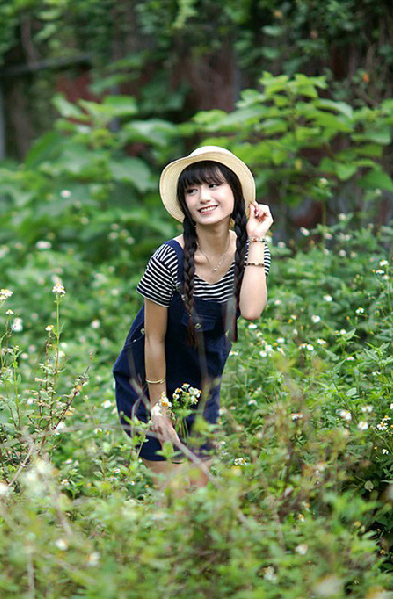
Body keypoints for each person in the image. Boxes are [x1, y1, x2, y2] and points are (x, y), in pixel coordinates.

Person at [113, 146, 273, 485]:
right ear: (184, 203)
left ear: (235, 192)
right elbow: (152, 339)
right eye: (192, 190)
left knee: (200, 497)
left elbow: (252, 311)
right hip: (149, 386)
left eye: (214, 186)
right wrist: (159, 408)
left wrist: (257, 241)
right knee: (177, 496)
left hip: (203, 385)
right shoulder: (168, 258)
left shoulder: (251, 251)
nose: (203, 197)